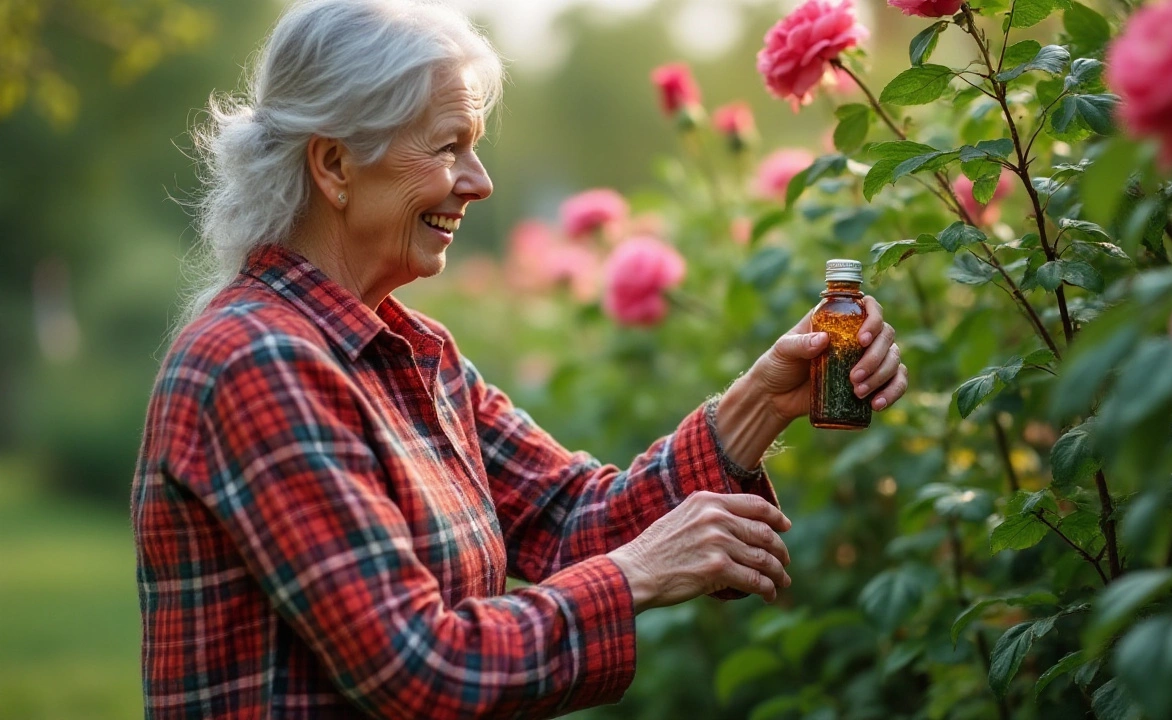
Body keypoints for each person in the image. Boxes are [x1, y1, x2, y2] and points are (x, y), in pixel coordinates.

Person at [131, 1, 909, 718]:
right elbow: (418, 669)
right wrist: (636, 576)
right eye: (449, 148)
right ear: (334, 165)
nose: (479, 182)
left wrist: (765, 400)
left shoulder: (409, 355)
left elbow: (574, 520)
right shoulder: (258, 361)